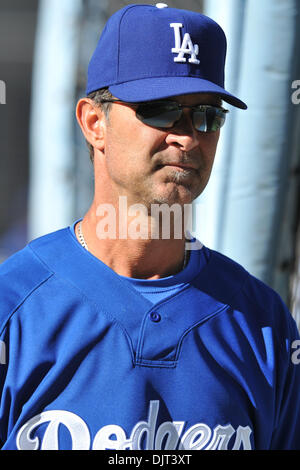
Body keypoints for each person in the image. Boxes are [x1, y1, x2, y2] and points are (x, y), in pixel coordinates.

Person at [0, 3, 300, 451]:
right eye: (160, 110)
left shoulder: (264, 324)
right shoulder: (13, 307)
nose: (186, 136)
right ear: (93, 122)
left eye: (206, 115)